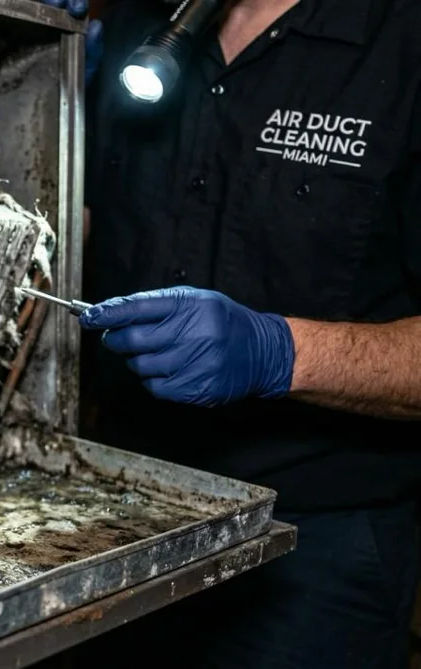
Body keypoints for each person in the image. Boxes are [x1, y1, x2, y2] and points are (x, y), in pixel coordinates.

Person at [39, 0, 421, 666]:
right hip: (115, 507)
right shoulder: (137, 25)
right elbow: (82, 215)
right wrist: (39, 55)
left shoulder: (403, 42)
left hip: (314, 546)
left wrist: (279, 352)